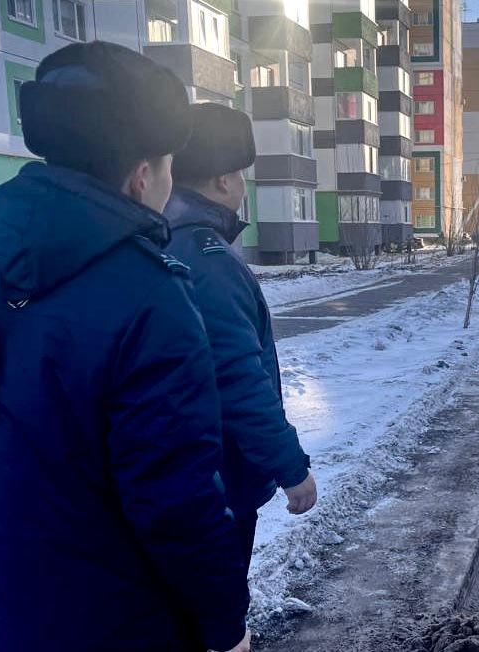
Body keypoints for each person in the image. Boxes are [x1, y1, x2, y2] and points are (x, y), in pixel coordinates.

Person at [0, 42, 251, 652]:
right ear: (142, 174)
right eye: (170, 164)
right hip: (114, 620)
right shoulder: (150, 298)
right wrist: (226, 623)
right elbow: (174, 498)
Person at [163, 103, 317, 568]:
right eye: (241, 175)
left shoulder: (158, 237)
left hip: (173, 475)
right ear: (224, 181)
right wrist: (291, 469)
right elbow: (237, 378)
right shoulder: (207, 258)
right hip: (216, 479)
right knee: (219, 614)